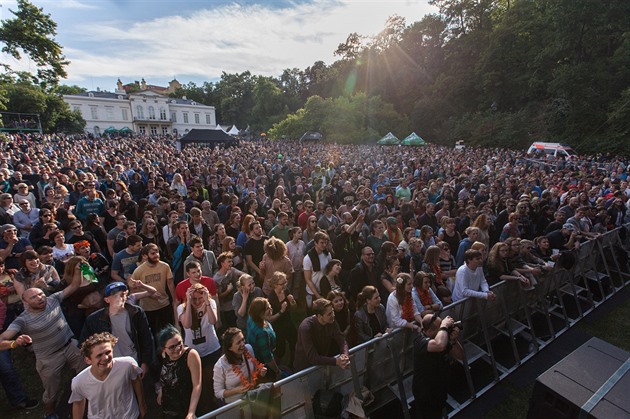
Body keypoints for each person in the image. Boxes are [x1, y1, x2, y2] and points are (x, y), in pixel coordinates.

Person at [0, 260, 84, 419]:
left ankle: (87, 400)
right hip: (48, 358)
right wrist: (14, 343)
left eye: (41, 294)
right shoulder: (22, 320)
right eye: (33, 297)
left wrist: (78, 270)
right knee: (51, 392)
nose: (40, 298)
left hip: (70, 347)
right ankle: (50, 413)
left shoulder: (53, 300)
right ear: (25, 302)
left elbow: (73, 286)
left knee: (87, 373)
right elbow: (1, 339)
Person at [80, 282, 154, 381]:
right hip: (110, 365)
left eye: (123, 294)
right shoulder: (94, 319)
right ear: (107, 300)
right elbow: (85, 344)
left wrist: (145, 363)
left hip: (134, 361)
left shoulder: (136, 313)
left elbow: (146, 339)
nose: (120, 298)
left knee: (138, 388)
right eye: (115, 295)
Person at [69, 332, 147, 419]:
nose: (105, 358)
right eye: (99, 355)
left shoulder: (127, 364)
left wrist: (142, 405)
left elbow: (136, 380)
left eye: (108, 352)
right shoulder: (79, 381)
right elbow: (78, 403)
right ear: (88, 360)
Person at [178, 283, 221, 414]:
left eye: (199, 298)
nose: (197, 302)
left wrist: (207, 302)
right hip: (193, 352)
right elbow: (187, 324)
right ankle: (204, 410)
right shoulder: (182, 308)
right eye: (194, 299)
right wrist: (189, 303)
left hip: (211, 349)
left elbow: (214, 321)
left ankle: (217, 409)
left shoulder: (211, 303)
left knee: (212, 382)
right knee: (198, 385)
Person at [412, 314, 464, 419]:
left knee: (438, 413)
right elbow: (439, 345)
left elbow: (461, 356)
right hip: (425, 392)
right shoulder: (420, 341)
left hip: (439, 387)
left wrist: (453, 341)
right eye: (440, 329)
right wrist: (444, 326)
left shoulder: (441, 338)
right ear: (429, 332)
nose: (444, 331)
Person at [129, 243, 177, 336]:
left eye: (157, 252)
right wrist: (149, 294)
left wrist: (174, 300)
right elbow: (133, 289)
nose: (156, 255)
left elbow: (170, 283)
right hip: (148, 307)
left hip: (164, 304)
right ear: (145, 256)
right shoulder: (139, 270)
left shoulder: (165, 266)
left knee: (169, 331)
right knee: (153, 333)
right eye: (153, 253)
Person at [157, 325, 202, 419]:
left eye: (179, 343)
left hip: (186, 406)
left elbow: (197, 385)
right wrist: (161, 391)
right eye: (172, 347)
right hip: (168, 409)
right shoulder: (164, 356)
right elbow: (165, 375)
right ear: (164, 349)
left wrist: (191, 412)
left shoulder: (191, 355)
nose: (177, 349)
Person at [213, 327, 268, 404]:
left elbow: (255, 370)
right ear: (230, 348)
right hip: (234, 404)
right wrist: (236, 391)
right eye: (238, 342)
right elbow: (218, 393)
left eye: (243, 339)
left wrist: (260, 372)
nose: (243, 344)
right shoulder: (220, 366)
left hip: (252, 398)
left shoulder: (248, 349)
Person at [294, 298, 350, 371]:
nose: (333, 315)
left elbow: (342, 340)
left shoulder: (331, 321)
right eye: (329, 314)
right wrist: (336, 361)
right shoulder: (306, 328)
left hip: (321, 364)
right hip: (304, 368)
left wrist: (344, 355)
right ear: (320, 316)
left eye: (333, 311)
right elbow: (312, 357)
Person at [246, 297, 281, 380]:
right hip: (264, 364)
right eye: (267, 308)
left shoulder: (251, 317)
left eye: (269, 306)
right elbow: (267, 357)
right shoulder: (262, 333)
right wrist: (277, 371)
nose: (271, 309)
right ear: (260, 314)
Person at [267, 272, 297, 367]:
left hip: (288, 321)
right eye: (282, 284)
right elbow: (269, 319)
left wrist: (292, 302)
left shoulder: (286, 291)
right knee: (280, 349)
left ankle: (292, 364)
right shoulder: (271, 298)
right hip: (277, 326)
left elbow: (294, 308)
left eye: (285, 282)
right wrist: (281, 311)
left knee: (294, 343)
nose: (284, 285)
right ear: (275, 284)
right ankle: (276, 369)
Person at [303, 231, 332, 308]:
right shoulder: (308, 258)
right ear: (315, 243)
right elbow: (308, 279)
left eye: (325, 243)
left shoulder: (327, 254)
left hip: (325, 288)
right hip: (312, 292)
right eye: (321, 243)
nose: (324, 245)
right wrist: (317, 295)